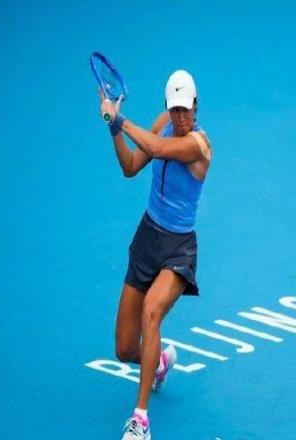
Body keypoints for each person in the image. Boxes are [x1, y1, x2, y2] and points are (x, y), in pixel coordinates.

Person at [98, 70, 212, 440]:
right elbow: (131, 166)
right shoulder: (162, 124)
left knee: (151, 313)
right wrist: (114, 130)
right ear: (168, 107)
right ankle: (158, 363)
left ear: (196, 106)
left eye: (186, 109)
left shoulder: (199, 144)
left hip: (179, 249)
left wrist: (120, 119)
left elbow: (160, 150)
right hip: (147, 239)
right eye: (175, 109)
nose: (180, 117)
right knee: (123, 348)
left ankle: (141, 420)